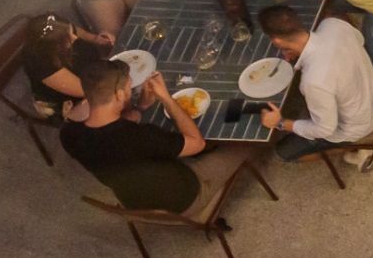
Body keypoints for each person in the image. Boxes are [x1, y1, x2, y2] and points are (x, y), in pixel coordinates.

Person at [59, 59, 250, 214]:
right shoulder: (139, 137)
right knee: (243, 140)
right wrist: (166, 98)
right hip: (185, 196)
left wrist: (141, 106)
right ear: (118, 94)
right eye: (128, 89)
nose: (129, 92)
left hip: (134, 201)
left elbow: (108, 132)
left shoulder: (69, 134)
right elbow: (197, 143)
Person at [254, 4, 373, 163]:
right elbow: (359, 40)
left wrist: (280, 123)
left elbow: (324, 129)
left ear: (276, 40)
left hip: (360, 125)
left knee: (283, 152)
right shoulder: (333, 25)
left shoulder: (314, 81)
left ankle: (355, 147)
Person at [17, 13, 113, 119]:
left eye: (70, 31)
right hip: (65, 100)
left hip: (87, 74)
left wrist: (96, 38)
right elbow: (85, 90)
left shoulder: (56, 25)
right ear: (53, 48)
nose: (74, 38)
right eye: (66, 39)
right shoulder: (41, 63)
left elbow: (81, 35)